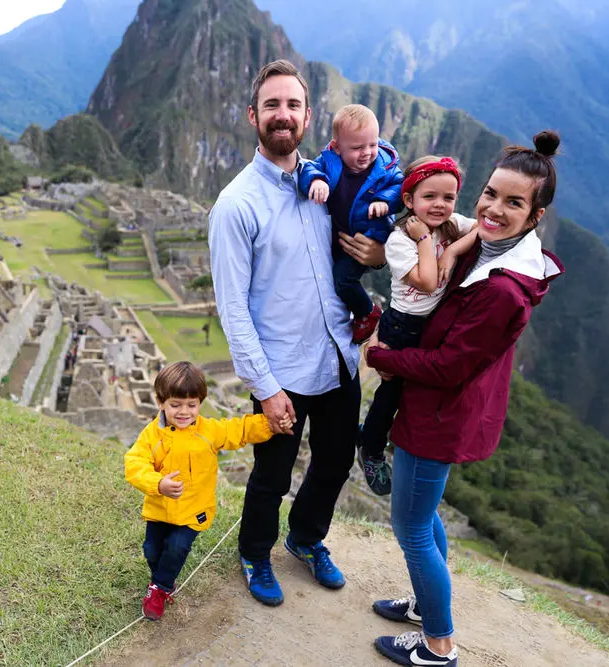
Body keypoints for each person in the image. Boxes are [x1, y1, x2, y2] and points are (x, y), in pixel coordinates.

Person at [365, 131, 565, 666]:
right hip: (433, 407)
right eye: (491, 193)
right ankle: (424, 607)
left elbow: (450, 367)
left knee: (409, 526)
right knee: (424, 516)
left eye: (514, 202)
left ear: (535, 215)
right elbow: (435, 243)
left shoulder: (503, 289)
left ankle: (438, 644)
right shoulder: (486, 245)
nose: (495, 209)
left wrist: (382, 358)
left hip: (440, 415)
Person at [209, 59, 385, 607]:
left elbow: (366, 239)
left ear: (308, 116)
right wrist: (265, 388)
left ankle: (306, 538)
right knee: (272, 474)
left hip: (336, 356)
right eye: (271, 106)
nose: (282, 116)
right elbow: (233, 309)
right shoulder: (237, 205)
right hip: (282, 368)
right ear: (253, 116)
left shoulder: (329, 183)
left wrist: (378, 255)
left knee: (334, 462)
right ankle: (256, 553)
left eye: (292, 105)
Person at [357, 156, 477, 495]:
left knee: (417, 393)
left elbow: (485, 227)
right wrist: (426, 240)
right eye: (430, 197)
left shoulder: (451, 225)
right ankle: (372, 447)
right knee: (391, 393)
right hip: (403, 325)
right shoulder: (401, 239)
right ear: (409, 200)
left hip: (433, 324)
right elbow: (425, 282)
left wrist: (451, 250)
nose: (440, 205)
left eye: (448, 197)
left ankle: (375, 436)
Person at [124, 362, 279, 620]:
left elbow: (238, 430)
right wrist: (158, 484)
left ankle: (160, 588)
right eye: (176, 405)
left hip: (194, 510)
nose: (184, 412)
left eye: (191, 405)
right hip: (160, 508)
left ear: (200, 402)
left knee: (176, 548)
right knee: (151, 549)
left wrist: (270, 423)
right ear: (161, 402)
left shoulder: (209, 431)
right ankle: (162, 578)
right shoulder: (153, 435)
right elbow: (135, 463)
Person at [299, 104, 404, 343]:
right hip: (338, 237)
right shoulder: (329, 162)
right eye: (357, 147)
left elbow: (401, 187)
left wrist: (384, 202)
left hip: (369, 236)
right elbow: (309, 169)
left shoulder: (385, 168)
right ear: (337, 148)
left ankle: (368, 312)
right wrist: (316, 181)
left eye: (373, 145)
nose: (367, 153)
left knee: (343, 279)